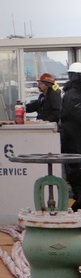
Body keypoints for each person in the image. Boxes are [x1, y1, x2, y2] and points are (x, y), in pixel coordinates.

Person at [60, 62, 81, 211]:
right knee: (78, 181)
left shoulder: (72, 94)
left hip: (74, 144)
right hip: (75, 146)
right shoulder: (73, 96)